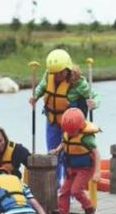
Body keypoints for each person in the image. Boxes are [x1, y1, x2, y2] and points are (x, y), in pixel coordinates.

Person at [29, 49, 100, 183]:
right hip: (52, 121)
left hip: (70, 125)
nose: (58, 75)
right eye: (55, 73)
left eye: (61, 72)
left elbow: (95, 95)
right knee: (53, 153)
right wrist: (35, 96)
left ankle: (69, 185)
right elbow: (41, 87)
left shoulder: (78, 82)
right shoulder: (49, 75)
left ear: (68, 68)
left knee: (69, 153)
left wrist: (94, 102)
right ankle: (55, 186)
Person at [50, 108, 99, 214]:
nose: (70, 133)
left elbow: (96, 154)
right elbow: (64, 142)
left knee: (76, 190)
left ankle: (89, 210)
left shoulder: (86, 138)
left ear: (81, 127)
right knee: (63, 192)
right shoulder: (67, 132)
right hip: (70, 167)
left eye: (73, 131)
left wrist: (97, 171)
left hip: (85, 168)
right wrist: (56, 150)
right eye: (68, 131)